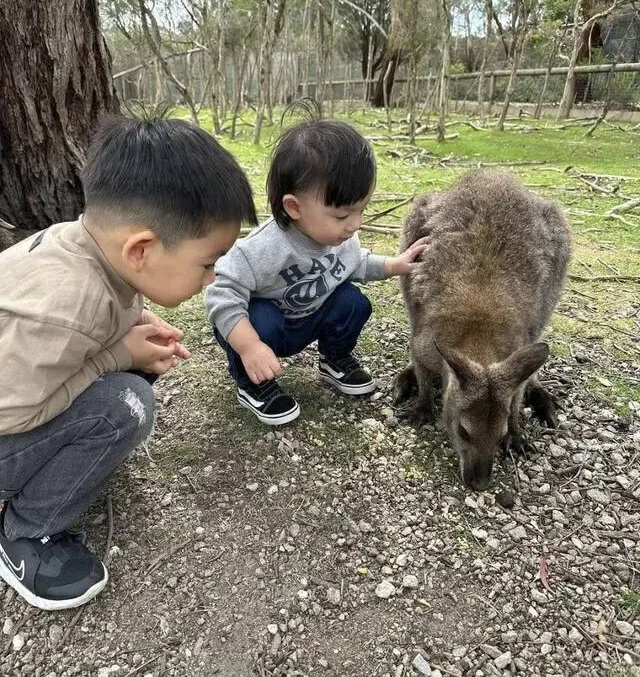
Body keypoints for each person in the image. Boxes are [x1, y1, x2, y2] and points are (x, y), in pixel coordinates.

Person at [0, 116, 256, 611]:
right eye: (207, 262)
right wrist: (118, 355)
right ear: (140, 249)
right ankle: (26, 533)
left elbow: (107, 304)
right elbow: (13, 415)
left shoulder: (82, 243)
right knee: (125, 404)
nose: (213, 277)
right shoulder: (69, 306)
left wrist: (133, 323)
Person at [205, 119, 428, 426]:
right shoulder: (262, 250)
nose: (355, 224)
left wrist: (394, 265)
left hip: (306, 319)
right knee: (262, 318)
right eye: (342, 215)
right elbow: (220, 291)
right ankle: (251, 383)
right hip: (264, 329)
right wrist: (249, 345)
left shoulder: (339, 237)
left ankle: (333, 360)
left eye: (362, 210)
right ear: (294, 208)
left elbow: (356, 263)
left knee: (353, 302)